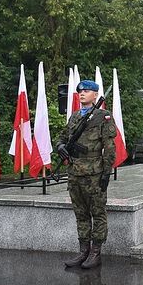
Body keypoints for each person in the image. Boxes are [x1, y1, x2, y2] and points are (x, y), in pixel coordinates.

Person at [56, 80, 118, 269]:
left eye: (87, 91)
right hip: (75, 172)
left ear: (95, 95)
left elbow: (109, 148)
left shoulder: (103, 117)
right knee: (80, 213)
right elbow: (62, 136)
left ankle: (95, 253)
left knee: (97, 213)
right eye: (80, 91)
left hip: (94, 173)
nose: (82, 94)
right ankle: (83, 251)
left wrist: (106, 173)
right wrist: (60, 147)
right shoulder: (74, 117)